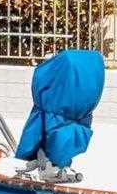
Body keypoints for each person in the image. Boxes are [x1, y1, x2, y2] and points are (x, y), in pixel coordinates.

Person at [14, 47, 105, 184]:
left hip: (58, 107)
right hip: (79, 109)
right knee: (61, 134)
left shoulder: (54, 97)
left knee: (50, 131)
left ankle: (50, 165)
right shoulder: (81, 101)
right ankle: (55, 164)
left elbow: (41, 75)